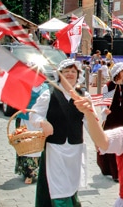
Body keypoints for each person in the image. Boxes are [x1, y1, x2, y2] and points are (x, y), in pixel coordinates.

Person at [30, 59, 90, 206]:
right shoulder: (49, 94)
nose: (70, 74)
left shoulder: (84, 95)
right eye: (66, 71)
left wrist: (100, 141)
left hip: (75, 147)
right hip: (55, 148)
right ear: (60, 74)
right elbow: (34, 114)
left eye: (73, 71)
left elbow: (90, 121)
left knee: (71, 183)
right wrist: (43, 123)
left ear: (78, 75)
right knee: (58, 187)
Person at [96, 62, 123, 182]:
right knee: (112, 143)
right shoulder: (109, 86)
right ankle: (114, 172)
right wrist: (105, 109)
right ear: (117, 73)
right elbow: (104, 102)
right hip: (112, 118)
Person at [14, 82, 49, 184]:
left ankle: (37, 171)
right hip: (25, 119)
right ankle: (28, 173)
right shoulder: (24, 85)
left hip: (39, 120)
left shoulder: (45, 87)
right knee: (26, 145)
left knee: (38, 146)